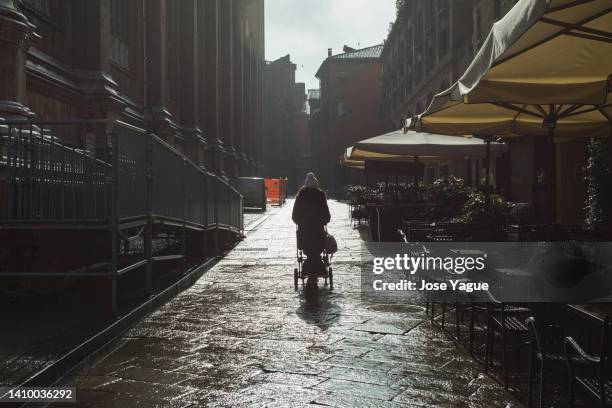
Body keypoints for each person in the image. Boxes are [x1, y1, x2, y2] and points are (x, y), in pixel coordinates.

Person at [292, 173, 331, 280]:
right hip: (318, 230)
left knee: (307, 248)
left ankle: (308, 266)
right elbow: (327, 215)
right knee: (318, 247)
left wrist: (300, 221)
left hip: (304, 232)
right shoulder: (321, 195)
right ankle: (319, 266)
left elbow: (294, 215)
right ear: (316, 184)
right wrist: (324, 220)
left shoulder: (301, 195)